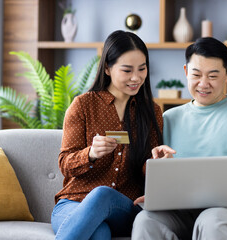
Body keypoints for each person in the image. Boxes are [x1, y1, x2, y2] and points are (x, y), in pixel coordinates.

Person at [132, 37, 227, 240]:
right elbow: (153, 167)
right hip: (179, 209)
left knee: (211, 221)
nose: (203, 83)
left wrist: (223, 187)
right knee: (146, 220)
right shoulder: (168, 119)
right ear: (185, 72)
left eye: (212, 75)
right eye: (196, 74)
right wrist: (158, 175)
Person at [51, 30, 163, 240]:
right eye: (127, 70)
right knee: (99, 234)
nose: (136, 77)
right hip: (74, 203)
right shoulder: (83, 105)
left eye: (142, 68)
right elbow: (65, 164)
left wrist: (158, 163)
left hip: (124, 208)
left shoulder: (151, 112)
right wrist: (90, 154)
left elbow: (149, 170)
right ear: (108, 69)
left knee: (102, 194)